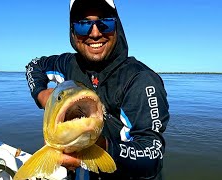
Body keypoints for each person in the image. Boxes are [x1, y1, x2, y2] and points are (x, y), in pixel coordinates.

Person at [25, 0, 170, 179]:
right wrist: (41, 94)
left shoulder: (140, 80)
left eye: (105, 23)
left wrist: (100, 147)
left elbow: (152, 156)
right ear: (72, 31)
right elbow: (34, 66)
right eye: (83, 25)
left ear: (117, 27)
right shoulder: (67, 64)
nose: (95, 33)